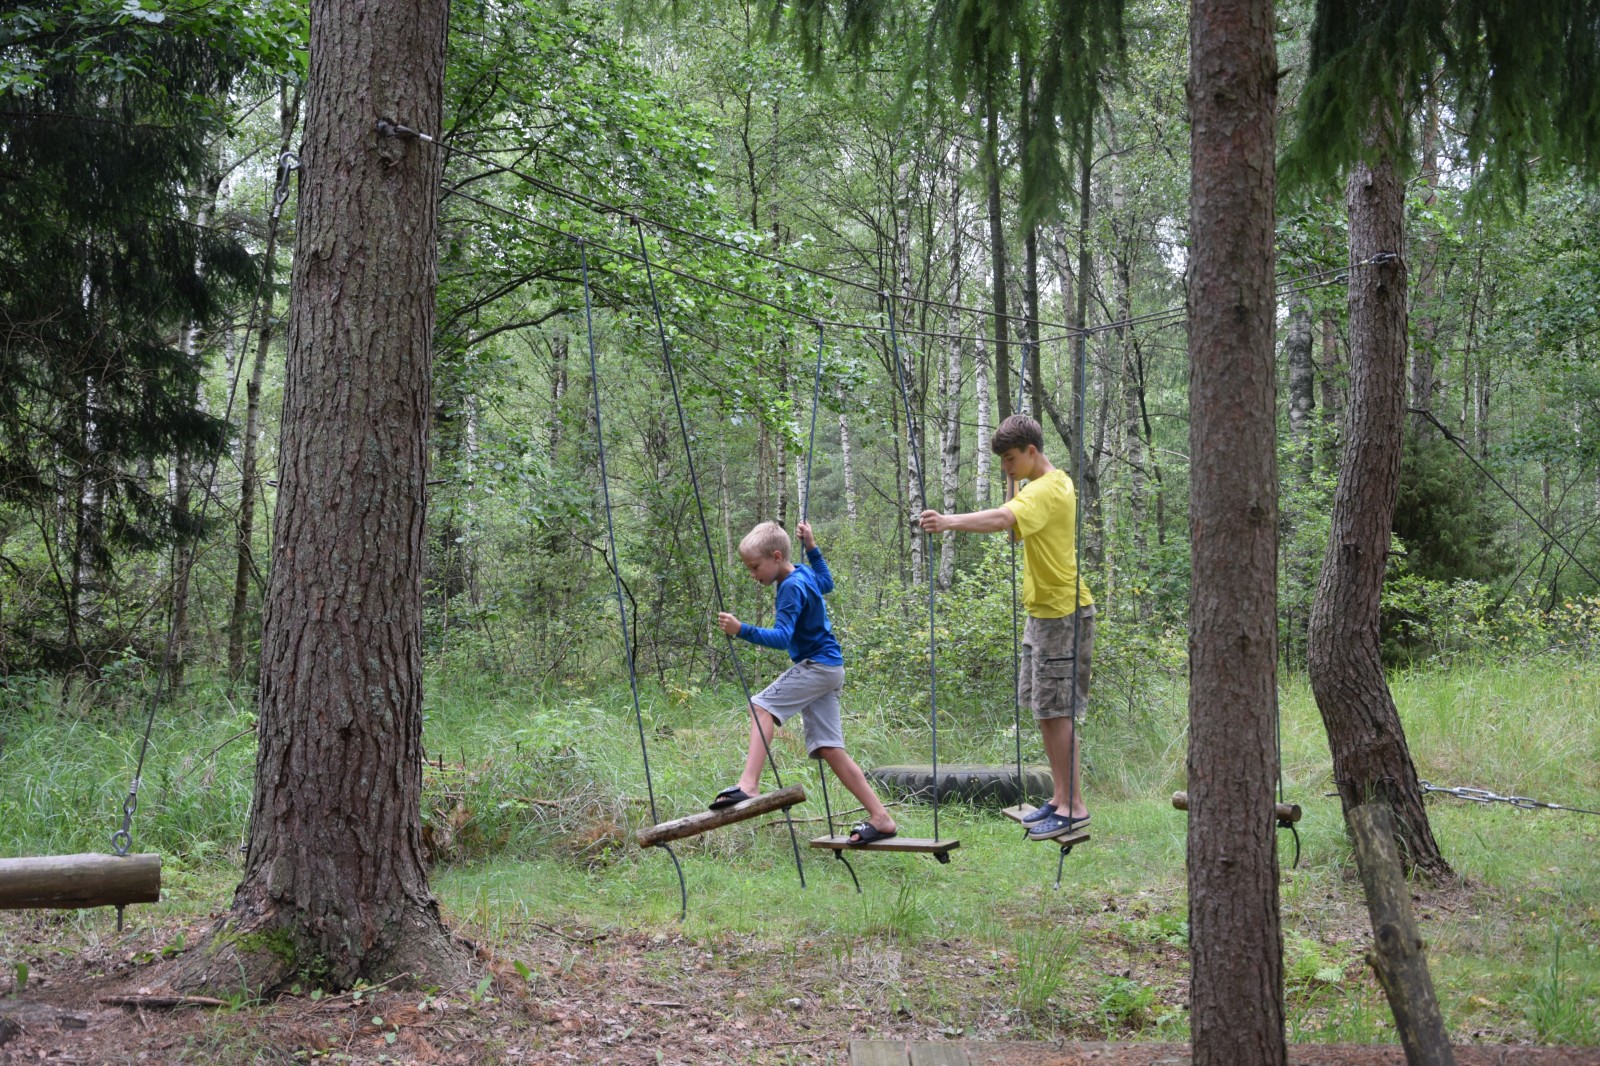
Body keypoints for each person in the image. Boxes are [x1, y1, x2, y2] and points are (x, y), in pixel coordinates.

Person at [919, 414, 1095, 841]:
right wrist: (1014, 478)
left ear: (1032, 452)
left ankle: (1074, 807)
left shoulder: (1049, 488)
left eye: (1011, 459)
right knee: (1044, 709)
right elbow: (1016, 531)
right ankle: (1059, 798)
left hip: (1063, 614)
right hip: (1044, 613)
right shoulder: (1042, 485)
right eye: (1002, 462)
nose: (1006, 467)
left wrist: (947, 522)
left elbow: (1001, 520)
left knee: (1058, 711)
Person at [712, 519, 898, 845]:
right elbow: (827, 582)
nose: (752, 574)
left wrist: (741, 630)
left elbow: (782, 637)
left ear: (776, 556)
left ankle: (749, 785)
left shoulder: (790, 586)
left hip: (818, 666)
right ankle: (881, 818)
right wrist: (812, 547)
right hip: (830, 667)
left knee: (760, 707)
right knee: (829, 748)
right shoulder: (803, 572)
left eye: (755, 567)